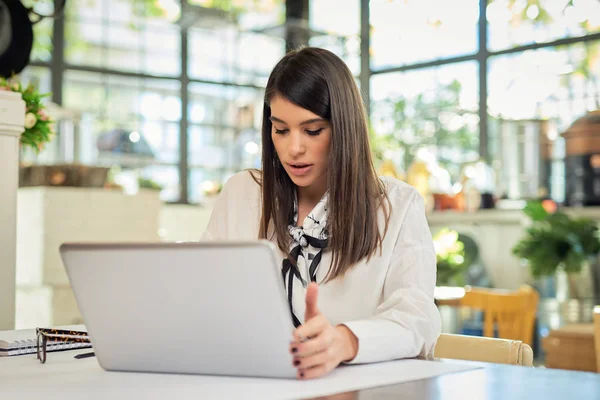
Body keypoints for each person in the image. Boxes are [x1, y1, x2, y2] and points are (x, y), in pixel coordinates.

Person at [202, 47, 441, 380]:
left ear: (344, 129)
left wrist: (345, 341)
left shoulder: (397, 207)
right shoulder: (242, 194)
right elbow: (202, 295)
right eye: (280, 130)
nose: (293, 148)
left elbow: (418, 318)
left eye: (312, 131)